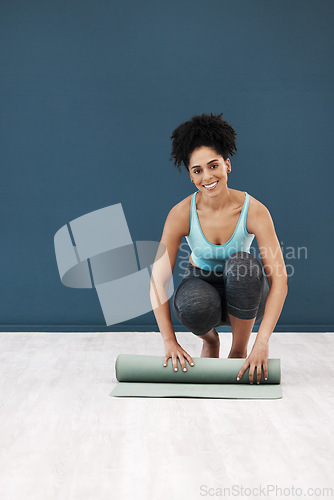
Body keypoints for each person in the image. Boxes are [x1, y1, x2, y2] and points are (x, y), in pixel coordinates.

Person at [150, 112, 288, 384]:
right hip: (201, 285)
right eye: (197, 170)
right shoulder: (180, 214)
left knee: (242, 265)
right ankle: (211, 342)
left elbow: (280, 280)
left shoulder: (254, 210)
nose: (207, 177)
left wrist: (262, 343)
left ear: (227, 165)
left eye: (213, 166)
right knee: (193, 305)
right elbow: (158, 279)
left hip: (246, 294)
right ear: (191, 177)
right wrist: (169, 341)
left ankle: (239, 350)